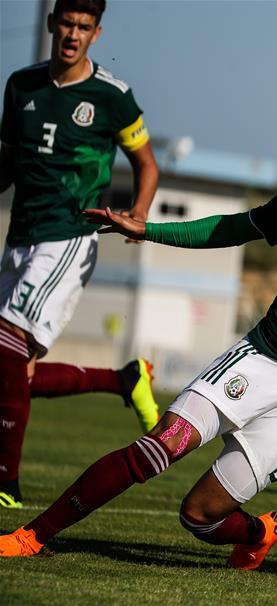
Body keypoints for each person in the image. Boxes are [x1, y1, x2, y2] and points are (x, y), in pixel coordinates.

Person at [0, 110, 277, 569]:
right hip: (263, 356)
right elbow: (230, 229)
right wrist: (148, 230)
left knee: (199, 515)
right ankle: (31, 536)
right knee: (161, 444)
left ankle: (259, 531)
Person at [0, 0, 161, 510]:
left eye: (84, 27)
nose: (73, 34)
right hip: (21, 236)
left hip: (70, 236)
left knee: (8, 339)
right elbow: (8, 161)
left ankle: (5, 482)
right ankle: (124, 380)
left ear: (97, 33)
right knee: (11, 370)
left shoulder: (111, 97)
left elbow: (147, 164)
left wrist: (137, 213)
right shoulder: (20, 85)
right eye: (66, 23)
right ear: (52, 24)